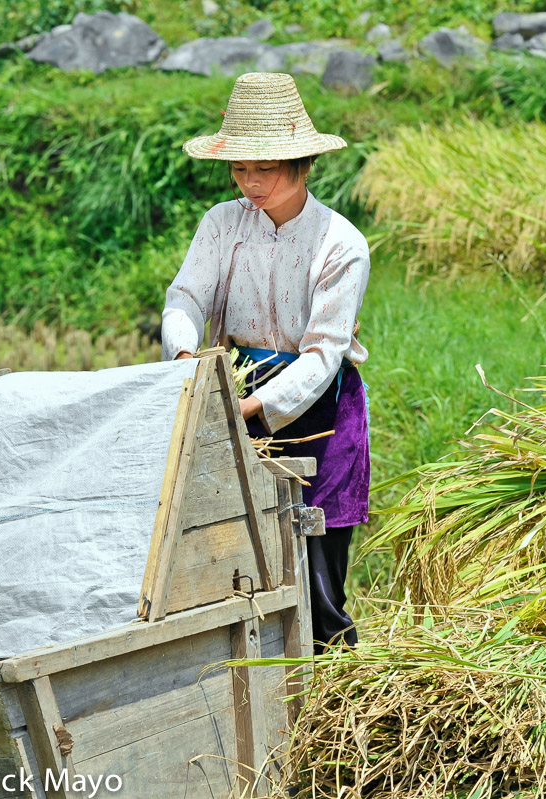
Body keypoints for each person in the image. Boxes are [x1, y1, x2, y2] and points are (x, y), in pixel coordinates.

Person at [161, 72, 370, 652]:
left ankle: (332, 694)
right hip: (229, 388)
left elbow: (325, 351)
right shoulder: (221, 224)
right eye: (240, 169)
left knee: (316, 572)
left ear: (302, 165)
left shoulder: (340, 243)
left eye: (265, 169)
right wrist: (188, 361)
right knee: (231, 550)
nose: (250, 183)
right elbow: (187, 297)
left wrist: (248, 407)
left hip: (316, 407)